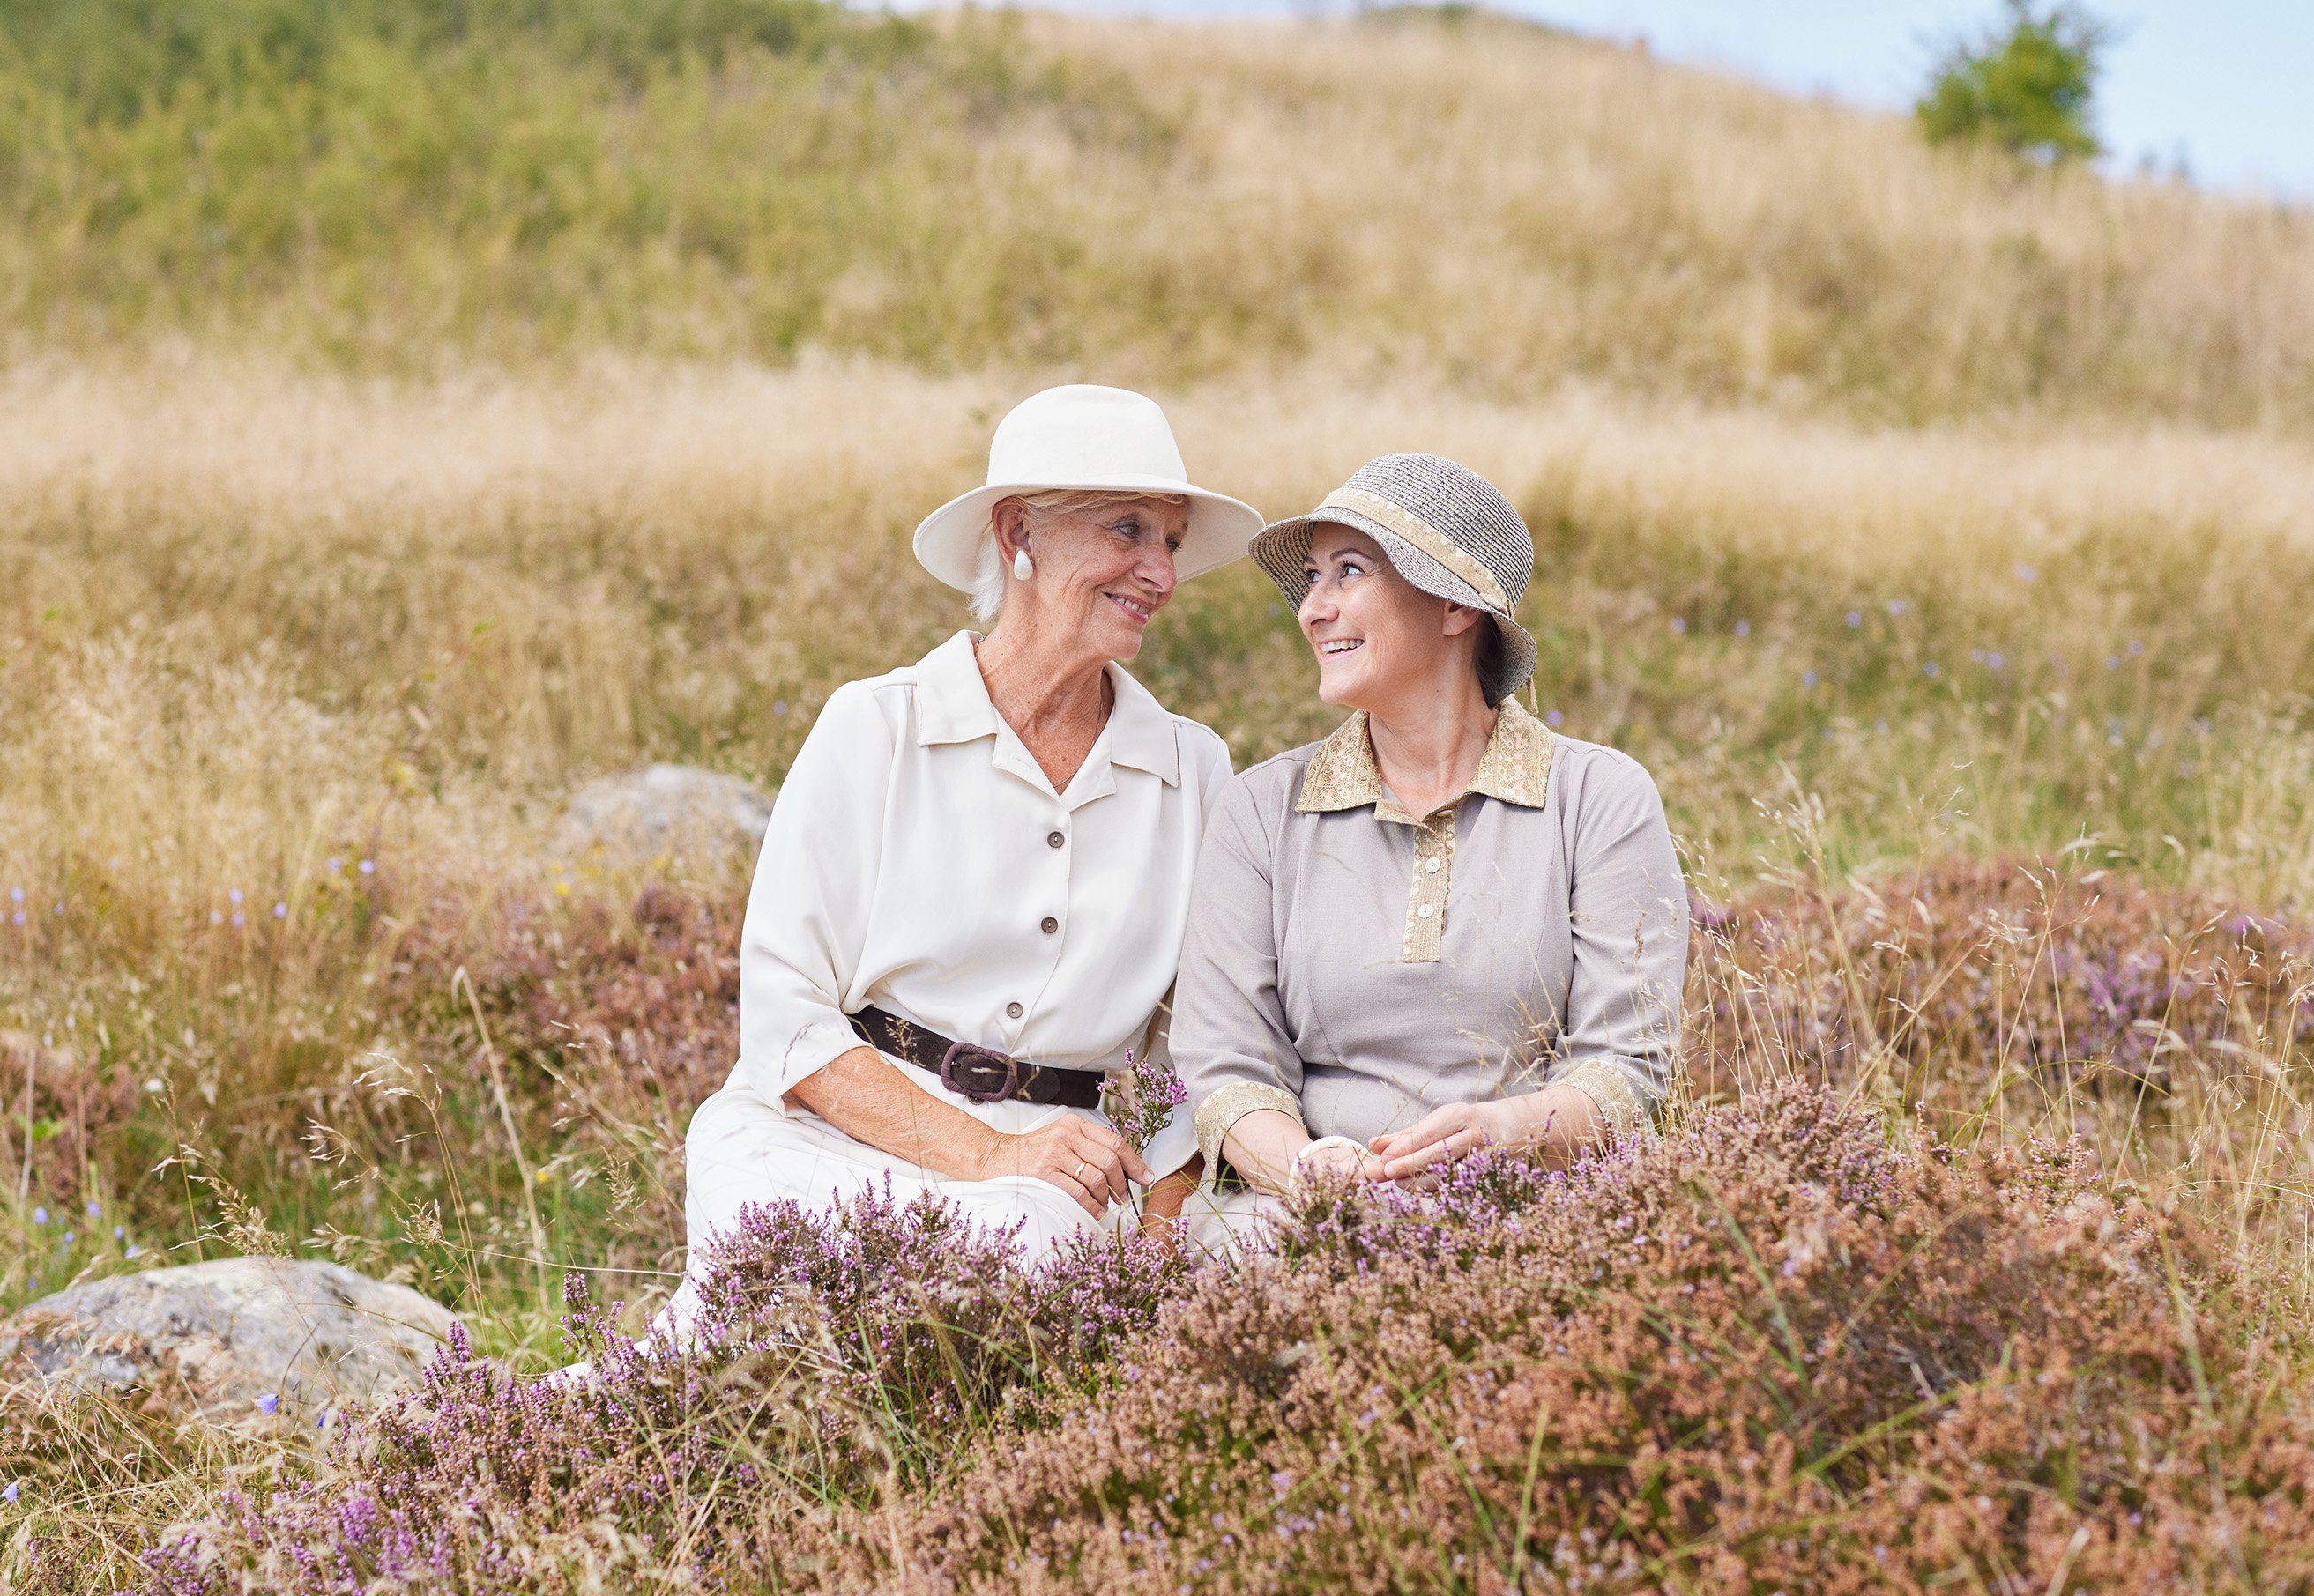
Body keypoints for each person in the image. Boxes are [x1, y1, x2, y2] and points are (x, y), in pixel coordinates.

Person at [666, 384, 1263, 1332]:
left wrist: (1164, 1211)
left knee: (1072, 1270)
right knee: (758, 1325)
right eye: (1128, 529)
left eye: (1172, 542)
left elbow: (1209, 1035)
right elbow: (784, 1013)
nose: (1161, 572)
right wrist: (983, 1152)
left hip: (1070, 1173)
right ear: (1018, 530)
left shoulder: (1193, 768)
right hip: (825, 1143)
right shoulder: (877, 725)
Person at [1160, 453, 1685, 1231]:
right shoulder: (1262, 808)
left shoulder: (1598, 800)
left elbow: (1626, 1067)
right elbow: (1226, 1067)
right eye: (1312, 578)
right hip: (1296, 1215)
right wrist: (1311, 1174)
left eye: (1349, 571)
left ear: (1453, 609)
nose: (1312, 608)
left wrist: (1505, 1135)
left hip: (1535, 1211)